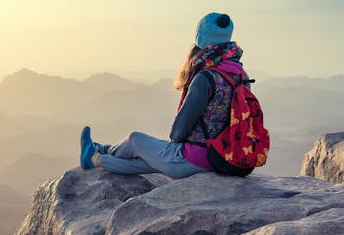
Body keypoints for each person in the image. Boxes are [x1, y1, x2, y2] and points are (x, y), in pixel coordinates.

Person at [80, 12, 251, 179]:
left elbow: (179, 131)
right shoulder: (241, 75)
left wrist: (175, 144)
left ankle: (101, 152)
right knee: (146, 162)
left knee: (135, 140)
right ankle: (96, 158)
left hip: (193, 159)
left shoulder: (205, 78)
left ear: (201, 38)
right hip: (223, 158)